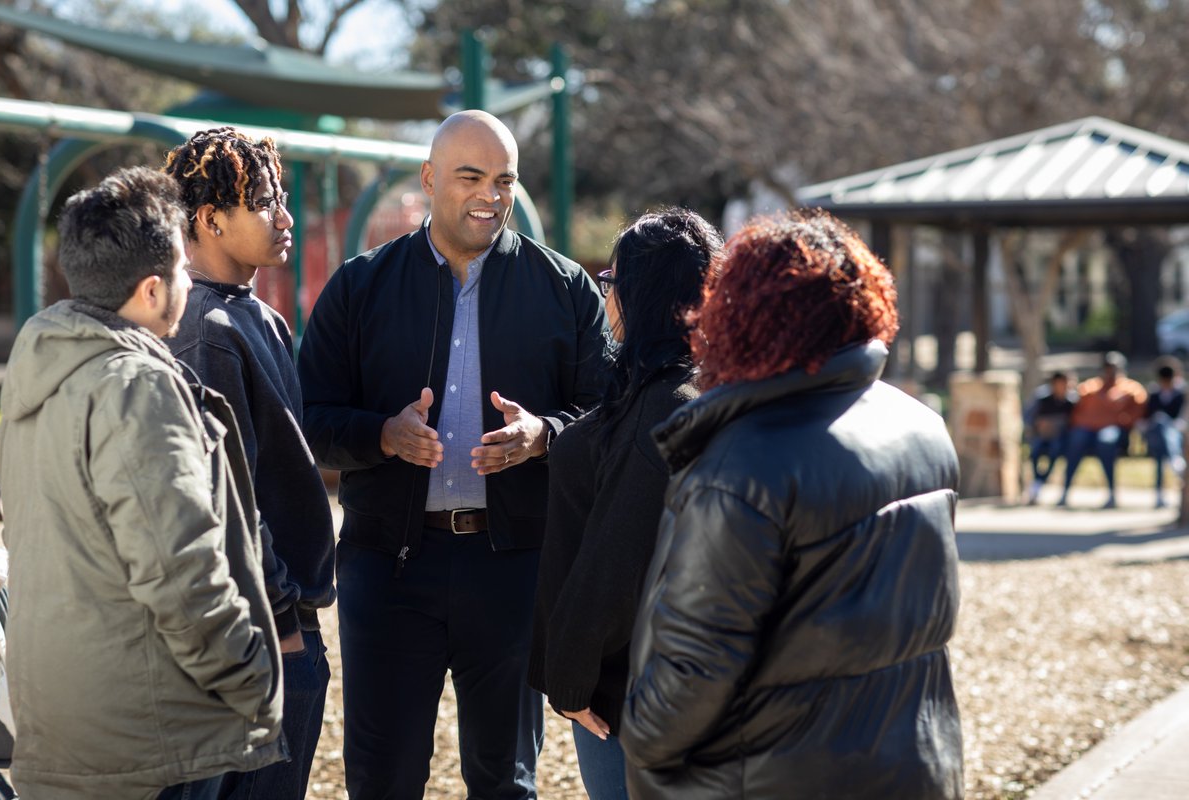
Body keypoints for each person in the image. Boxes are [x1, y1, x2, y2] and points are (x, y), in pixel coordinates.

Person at [298, 110, 610, 799]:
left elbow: (606, 418)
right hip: (389, 570)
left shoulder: (565, 290)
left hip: (515, 569)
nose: (489, 195)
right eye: (471, 176)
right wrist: (381, 434)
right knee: (383, 779)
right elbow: (306, 415)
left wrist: (545, 436)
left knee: (507, 781)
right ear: (430, 178)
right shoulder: (359, 286)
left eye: (504, 180)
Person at [621, 209, 964, 799]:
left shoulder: (742, 462)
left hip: (769, 777)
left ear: (742, 313)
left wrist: (640, 741)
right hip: (914, 765)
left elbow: (696, 664)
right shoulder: (923, 426)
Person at [0, 167, 283, 799]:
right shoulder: (140, 388)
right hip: (152, 738)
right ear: (152, 290)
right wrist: (252, 674)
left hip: (62, 723)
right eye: (182, 270)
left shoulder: (38, 373)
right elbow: (181, 571)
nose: (189, 282)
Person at [164, 127, 336, 799]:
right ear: (208, 219)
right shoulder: (207, 333)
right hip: (259, 635)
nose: (285, 217)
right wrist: (286, 624)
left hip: (287, 624)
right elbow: (226, 499)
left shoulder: (261, 320)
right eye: (265, 201)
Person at [528, 208, 723, 799]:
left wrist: (568, 681)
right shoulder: (698, 389)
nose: (605, 295)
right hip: (680, 683)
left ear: (641, 296)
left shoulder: (659, 411)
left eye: (612, 282)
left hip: (626, 694)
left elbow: (613, 562)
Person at [1058, 351, 1147, 509]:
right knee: (1076, 439)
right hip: (1087, 429)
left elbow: (1137, 413)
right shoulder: (1090, 387)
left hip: (1113, 430)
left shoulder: (1131, 389)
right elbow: (1076, 410)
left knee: (1106, 440)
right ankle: (1065, 490)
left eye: (1113, 368)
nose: (1109, 371)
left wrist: (1122, 422)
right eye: (1107, 367)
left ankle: (1111, 492)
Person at [1023, 371, 1077, 505]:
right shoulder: (1041, 398)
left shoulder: (1073, 401)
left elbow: (1075, 422)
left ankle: (1038, 484)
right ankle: (1037, 483)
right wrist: (1037, 425)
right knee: (1035, 452)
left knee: (1055, 451)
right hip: (1041, 435)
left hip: (1060, 438)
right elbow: (1028, 417)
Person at [1142, 357, 1186, 508]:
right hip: (1156, 434)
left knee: (1162, 444)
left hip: (1175, 433)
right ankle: (1174, 459)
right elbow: (1147, 416)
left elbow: (1182, 419)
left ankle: (1159, 493)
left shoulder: (1181, 393)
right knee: (1160, 423)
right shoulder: (1154, 393)